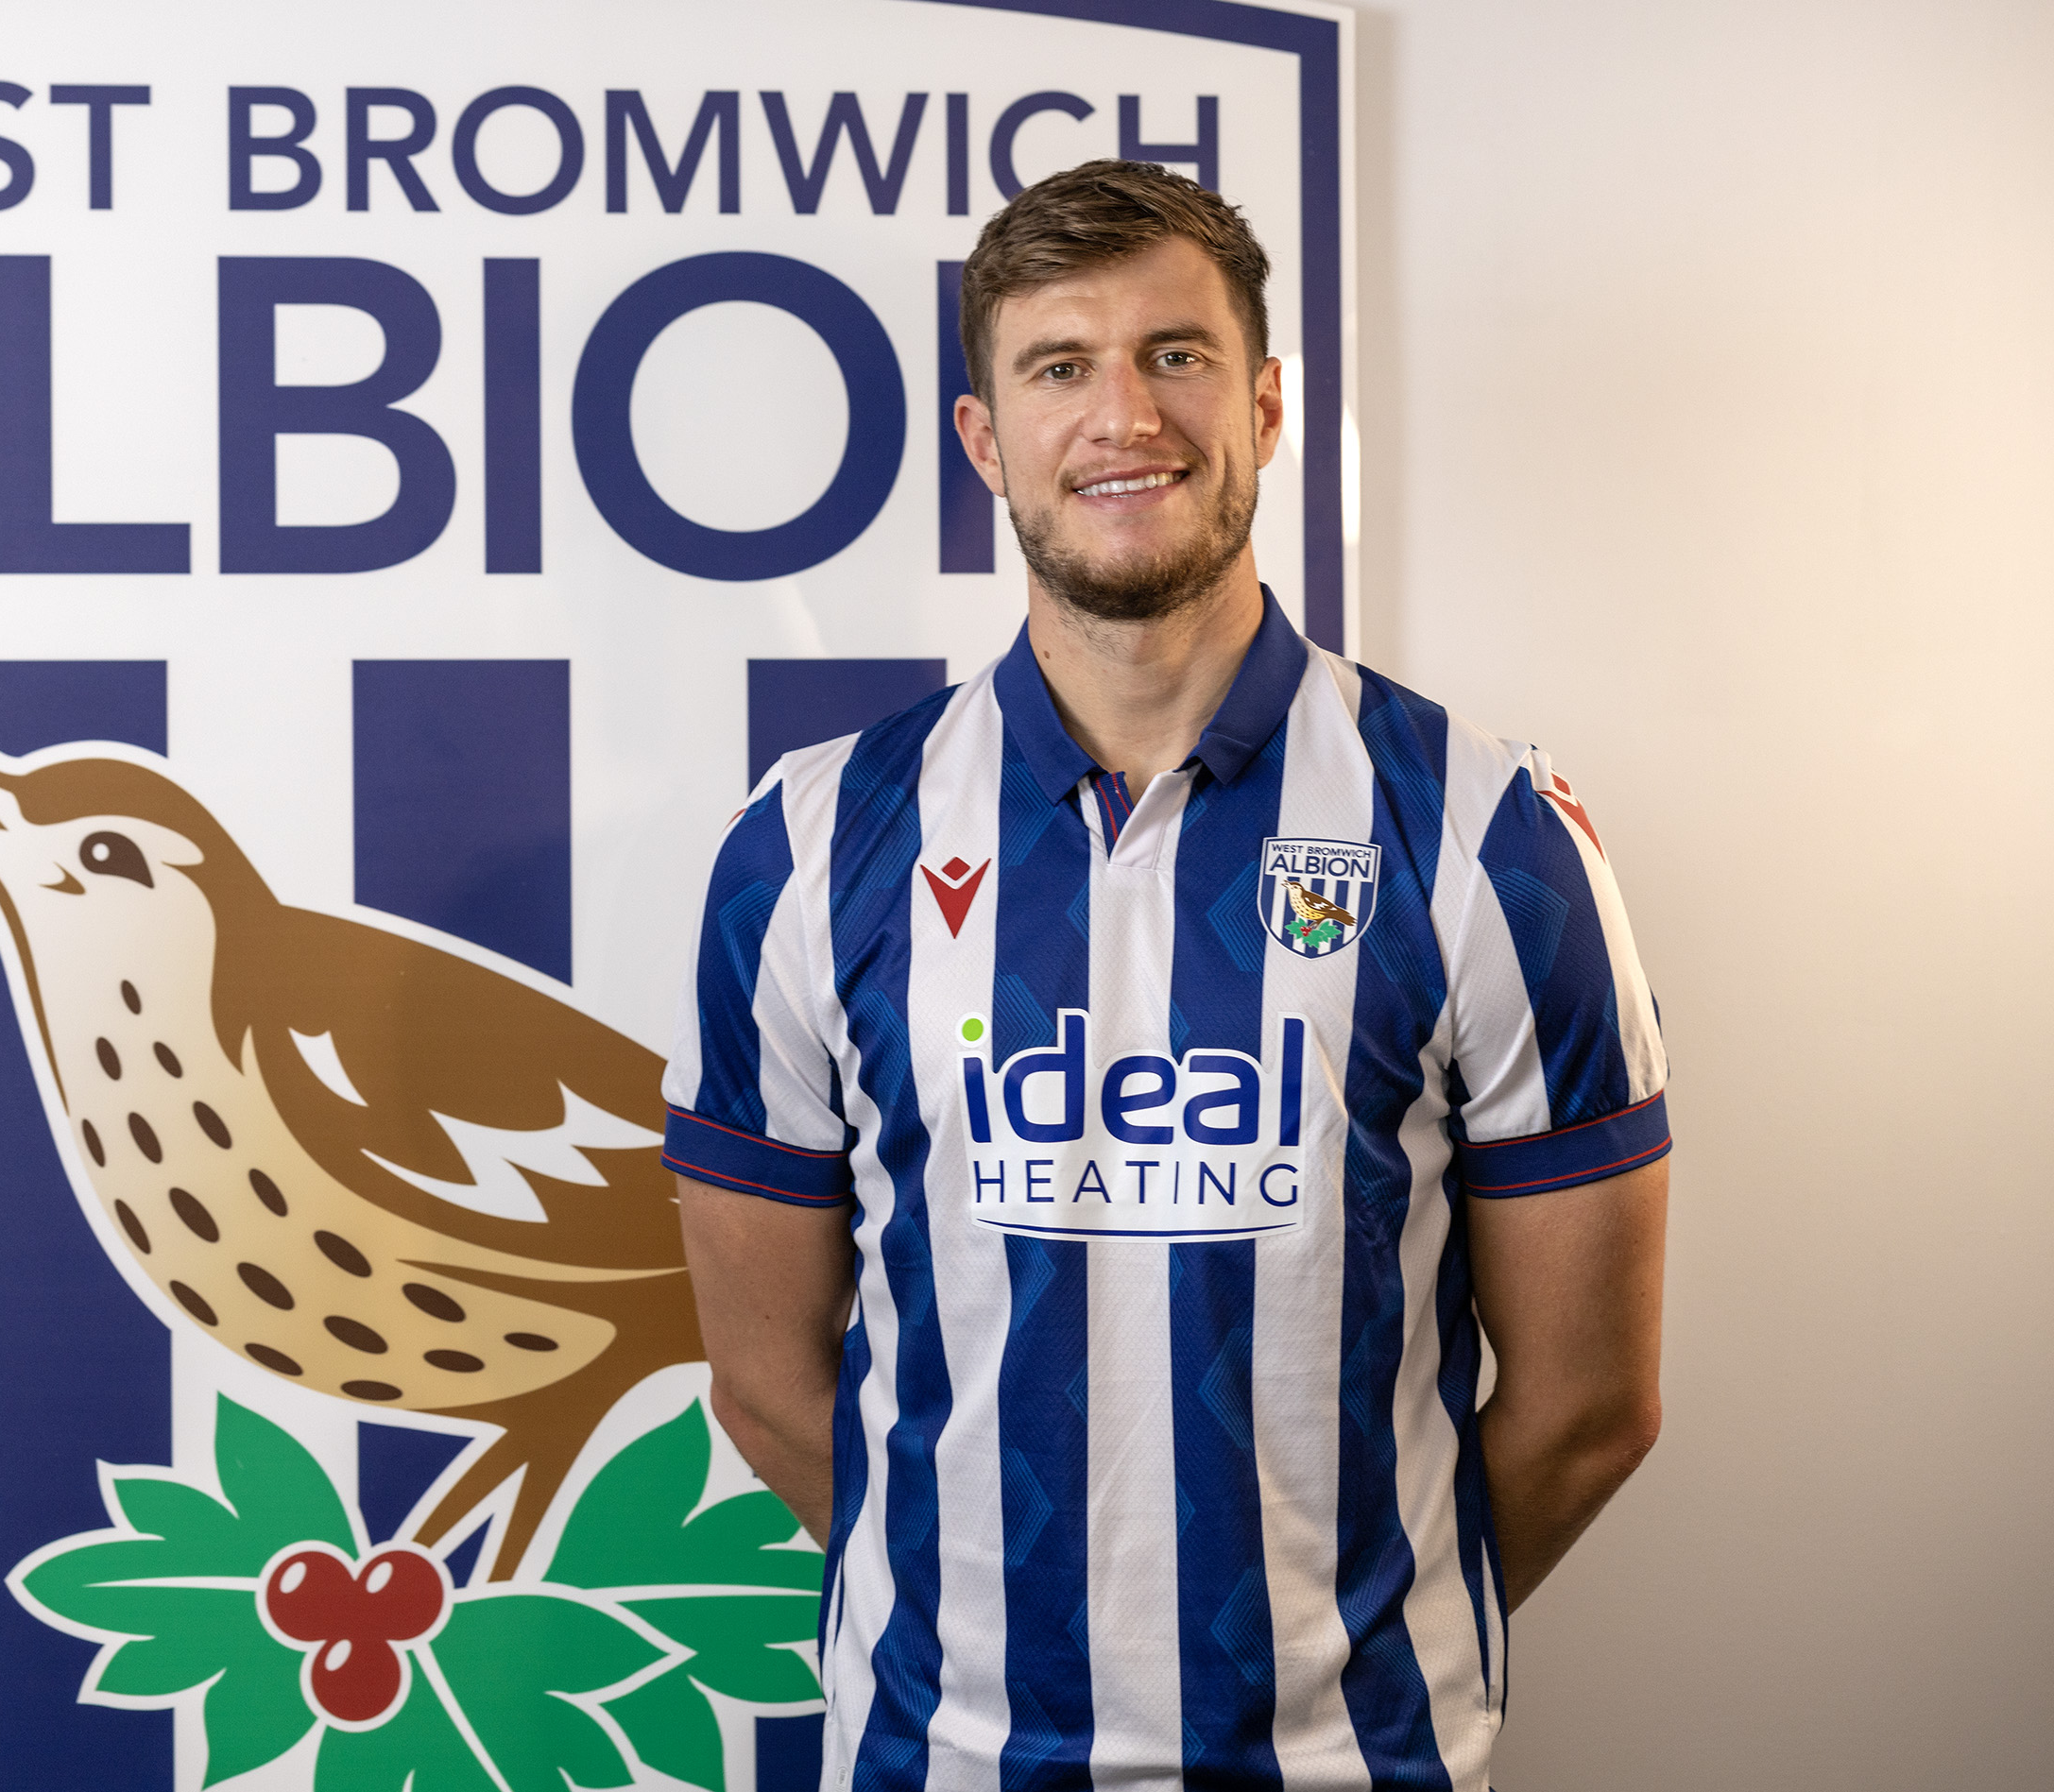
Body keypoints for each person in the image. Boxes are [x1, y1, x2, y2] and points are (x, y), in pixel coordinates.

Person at [660, 158, 1669, 1790]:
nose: (1124, 414)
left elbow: (1589, 1406)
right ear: (987, 438)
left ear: (1266, 406)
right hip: (935, 1755)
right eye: (1061, 367)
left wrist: (1361, 1659)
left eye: (1177, 355)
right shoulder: (807, 844)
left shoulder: (1485, 830)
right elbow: (771, 1385)